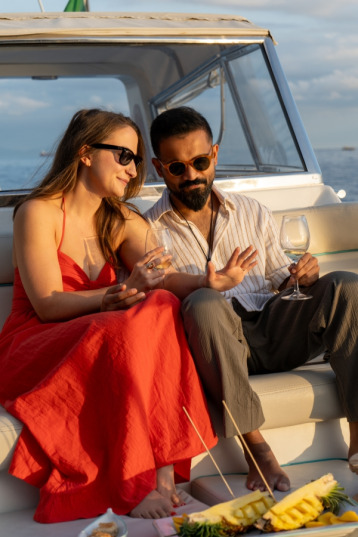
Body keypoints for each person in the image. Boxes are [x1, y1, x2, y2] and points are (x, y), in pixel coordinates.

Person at [0, 109, 258, 523]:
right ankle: (132, 480)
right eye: (123, 155)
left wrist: (209, 283)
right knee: (119, 329)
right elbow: (48, 305)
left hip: (96, 330)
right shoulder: (38, 211)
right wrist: (115, 295)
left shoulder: (118, 217)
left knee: (161, 305)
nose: (132, 168)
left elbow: (163, 278)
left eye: (136, 159)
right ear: (85, 153)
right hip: (36, 341)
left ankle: (163, 469)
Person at [145, 105, 358, 493]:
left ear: (215, 155)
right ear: (159, 169)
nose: (191, 176)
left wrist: (303, 276)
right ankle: (257, 451)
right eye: (177, 168)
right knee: (205, 302)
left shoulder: (252, 211)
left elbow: (283, 283)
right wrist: (208, 285)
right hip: (216, 346)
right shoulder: (147, 231)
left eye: (199, 161)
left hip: (272, 330)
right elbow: (155, 299)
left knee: (347, 285)